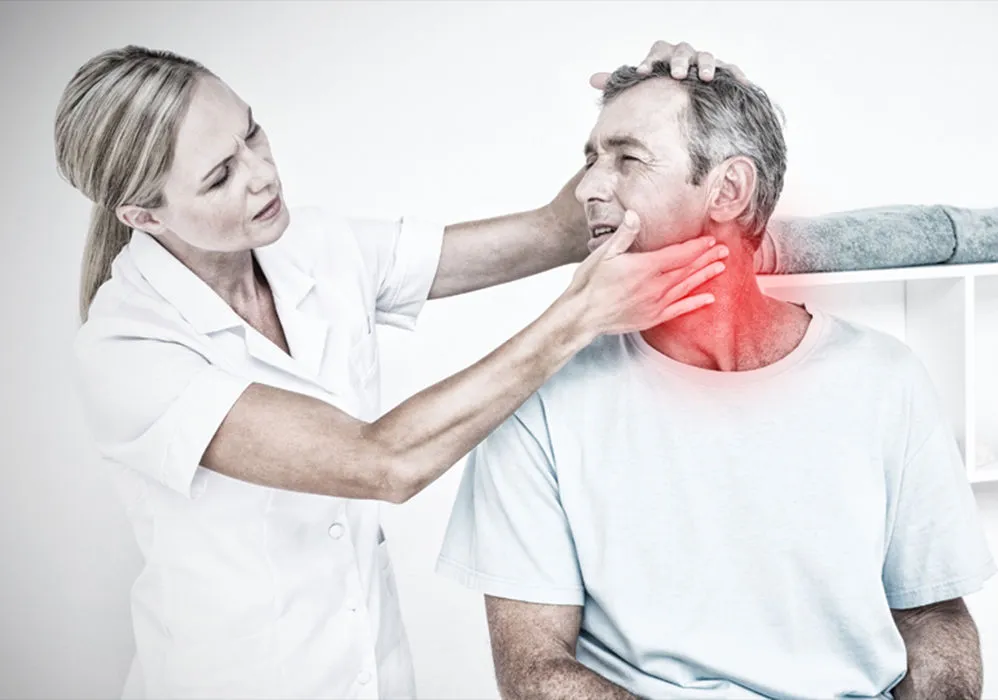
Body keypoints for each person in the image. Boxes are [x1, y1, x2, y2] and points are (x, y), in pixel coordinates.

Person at [57, 39, 735, 699]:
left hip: (374, 676)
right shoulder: (128, 350)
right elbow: (381, 463)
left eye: (252, 135)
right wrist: (576, 317)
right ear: (143, 215)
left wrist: (657, 105)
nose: (261, 172)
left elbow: (554, 229)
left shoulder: (314, 246)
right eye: (219, 176)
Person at [436, 62, 996, 699]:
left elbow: (934, 616)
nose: (588, 186)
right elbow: (534, 670)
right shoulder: (538, 401)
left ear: (728, 190)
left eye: (627, 158)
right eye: (590, 158)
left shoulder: (884, 379)